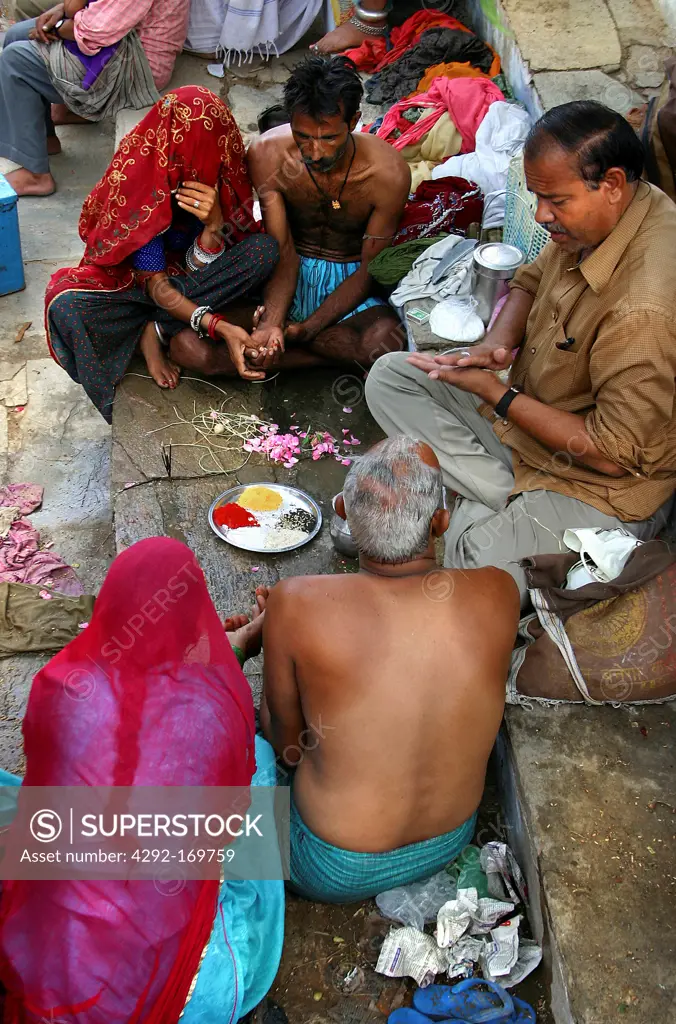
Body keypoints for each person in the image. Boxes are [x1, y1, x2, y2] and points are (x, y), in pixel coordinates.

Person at [366, 101, 676, 608]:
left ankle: (492, 504)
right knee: (389, 378)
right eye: (536, 197)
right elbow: (531, 279)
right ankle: (504, 494)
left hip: (598, 485)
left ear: (614, 183)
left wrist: (498, 394)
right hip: (529, 427)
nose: (541, 215)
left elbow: (615, 456)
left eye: (554, 201)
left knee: (468, 566)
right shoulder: (600, 217)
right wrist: (496, 346)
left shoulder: (644, 308)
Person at [0, 537, 284, 1021]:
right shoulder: (214, 713)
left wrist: (224, 648)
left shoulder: (59, 687)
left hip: (41, 971)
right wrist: (234, 648)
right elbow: (193, 731)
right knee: (256, 760)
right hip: (187, 997)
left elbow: (137, 706)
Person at [261, 436, 519, 903]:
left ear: (342, 510)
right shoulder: (499, 592)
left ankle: (96, 845)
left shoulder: (295, 602)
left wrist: (257, 640)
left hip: (329, 867)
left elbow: (284, 746)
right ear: (440, 522)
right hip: (447, 841)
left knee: (232, 746)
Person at [45, 86, 279, 422]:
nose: (197, 169)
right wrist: (217, 326)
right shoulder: (141, 175)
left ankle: (154, 329)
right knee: (65, 306)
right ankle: (156, 327)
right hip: (136, 283)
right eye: (187, 155)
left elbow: (199, 266)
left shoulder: (226, 173)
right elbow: (155, 284)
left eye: (207, 155)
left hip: (192, 280)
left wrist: (214, 227)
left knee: (262, 252)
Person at [192, 55, 409, 379]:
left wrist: (307, 328)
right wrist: (271, 323)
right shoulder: (267, 154)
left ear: (354, 122)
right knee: (188, 345)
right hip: (284, 272)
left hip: (350, 287)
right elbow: (282, 249)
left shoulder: (388, 173)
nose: (314, 152)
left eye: (329, 138)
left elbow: (369, 270)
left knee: (383, 346)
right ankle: (315, 357)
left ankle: (281, 356)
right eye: (302, 137)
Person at [1, 0, 190, 196]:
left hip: (137, 61)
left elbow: (93, 32)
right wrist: (60, 11)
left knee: (16, 61)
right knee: (17, 35)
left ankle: (36, 177)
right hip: (120, 35)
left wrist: (58, 26)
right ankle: (43, 140)